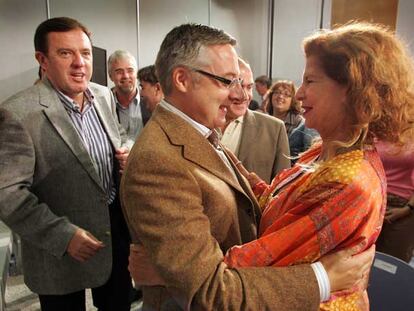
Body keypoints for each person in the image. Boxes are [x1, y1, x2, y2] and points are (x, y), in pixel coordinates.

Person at [121, 23, 375, 310]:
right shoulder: (159, 162)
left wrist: (170, 272)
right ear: (182, 79)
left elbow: (255, 206)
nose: (238, 94)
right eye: (227, 81)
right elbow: (210, 292)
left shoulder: (196, 133)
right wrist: (323, 277)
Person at [223, 22, 414, 310]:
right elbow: (275, 199)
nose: (299, 94)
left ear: (352, 90)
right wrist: (224, 157)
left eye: (310, 82)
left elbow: (264, 259)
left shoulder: (348, 181)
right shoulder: (325, 152)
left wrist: (178, 270)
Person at [0, 17, 132, 311]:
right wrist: (62, 235)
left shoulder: (103, 95)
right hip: (58, 245)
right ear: (42, 60)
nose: (79, 63)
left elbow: (119, 135)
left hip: (113, 232)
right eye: (65, 53)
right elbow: (8, 195)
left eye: (85, 53)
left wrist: (124, 152)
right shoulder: (18, 113)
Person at [220, 58, 291, 183]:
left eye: (249, 87)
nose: (245, 96)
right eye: (236, 85)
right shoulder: (198, 124)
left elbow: (282, 192)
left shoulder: (274, 129)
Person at [376, 141, 414, 262]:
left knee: (392, 265)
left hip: (403, 207)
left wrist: (408, 208)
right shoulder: (378, 129)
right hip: (373, 202)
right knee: (362, 262)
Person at [265, 80, 319, 161]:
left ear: (293, 100)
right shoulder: (263, 119)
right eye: (277, 92)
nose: (280, 96)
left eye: (286, 95)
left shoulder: (299, 122)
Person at [108, 50, 151, 148]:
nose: (126, 76)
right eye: (119, 72)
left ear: (136, 74)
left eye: (130, 70)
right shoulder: (104, 104)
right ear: (111, 76)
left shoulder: (151, 100)